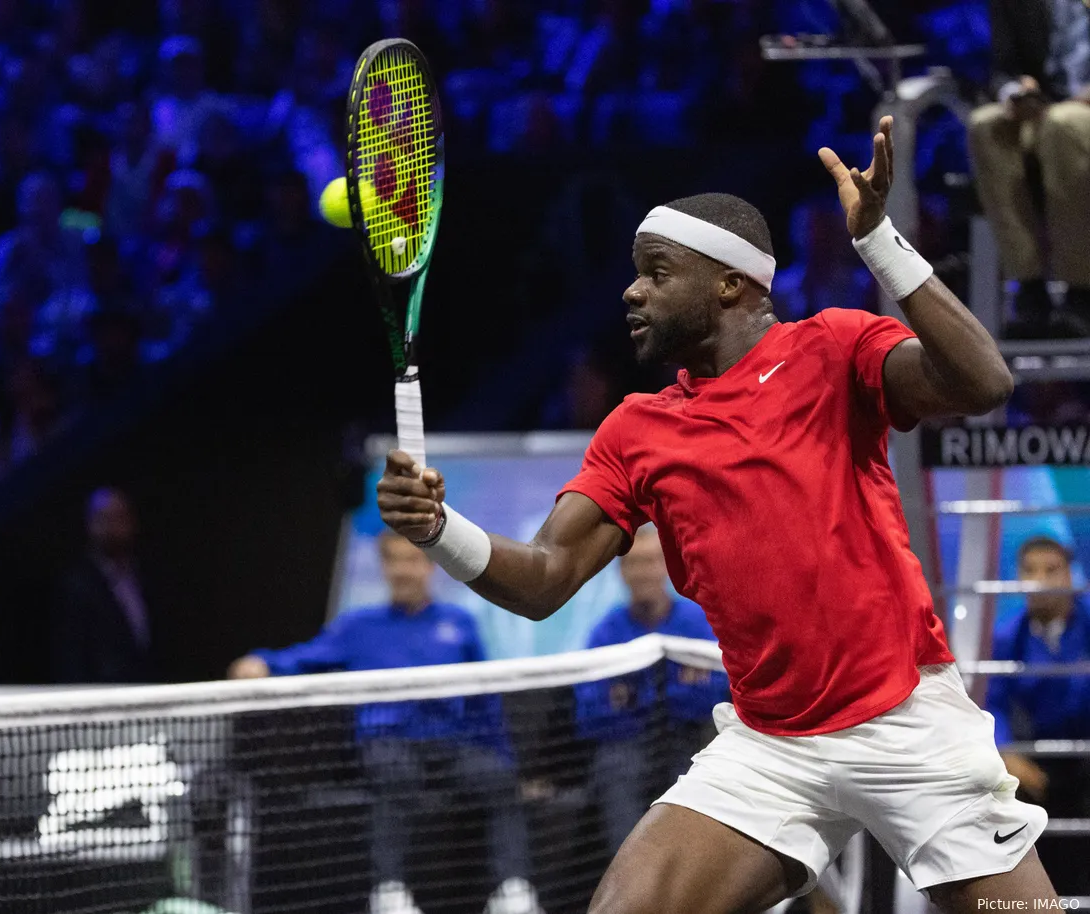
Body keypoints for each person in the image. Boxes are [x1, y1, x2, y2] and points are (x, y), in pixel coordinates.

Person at [378, 117, 1058, 914]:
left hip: (906, 721)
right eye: (636, 274)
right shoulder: (637, 428)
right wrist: (438, 530)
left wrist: (881, 244)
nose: (632, 290)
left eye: (657, 272)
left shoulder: (833, 350)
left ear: (733, 283)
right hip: (770, 747)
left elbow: (983, 383)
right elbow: (544, 580)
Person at [230, 532, 542, 914]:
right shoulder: (358, 626)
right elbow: (304, 658)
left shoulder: (460, 623)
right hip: (386, 743)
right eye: (393, 561)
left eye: (411, 560)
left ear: (430, 566)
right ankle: (389, 892)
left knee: (496, 778)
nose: (402, 570)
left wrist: (507, 761)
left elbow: (485, 701)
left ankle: (512, 891)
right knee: (396, 773)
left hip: (451, 744)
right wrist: (261, 662)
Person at [576, 527, 727, 854]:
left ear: (666, 566)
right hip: (625, 749)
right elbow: (589, 714)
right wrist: (675, 690)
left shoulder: (697, 622)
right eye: (635, 563)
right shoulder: (605, 632)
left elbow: (718, 695)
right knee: (614, 770)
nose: (643, 572)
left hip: (691, 743)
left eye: (651, 562)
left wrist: (634, 697)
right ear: (622, 571)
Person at [966, 0, 1090, 338]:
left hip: (1072, 117)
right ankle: (1030, 286)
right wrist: (1015, 91)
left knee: (1063, 126)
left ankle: (1081, 291)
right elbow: (1004, 68)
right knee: (987, 125)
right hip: (1049, 109)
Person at [987, 535, 1090, 893]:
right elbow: (993, 701)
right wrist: (1006, 751)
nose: (1040, 580)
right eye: (1030, 570)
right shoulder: (1007, 636)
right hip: (1041, 759)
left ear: (1068, 575)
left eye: (1051, 570)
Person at [52, 488, 155, 683]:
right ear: (90, 524)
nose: (113, 527)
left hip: (149, 692)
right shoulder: (77, 586)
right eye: (104, 519)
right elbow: (71, 658)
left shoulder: (145, 576)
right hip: (101, 698)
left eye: (119, 517)